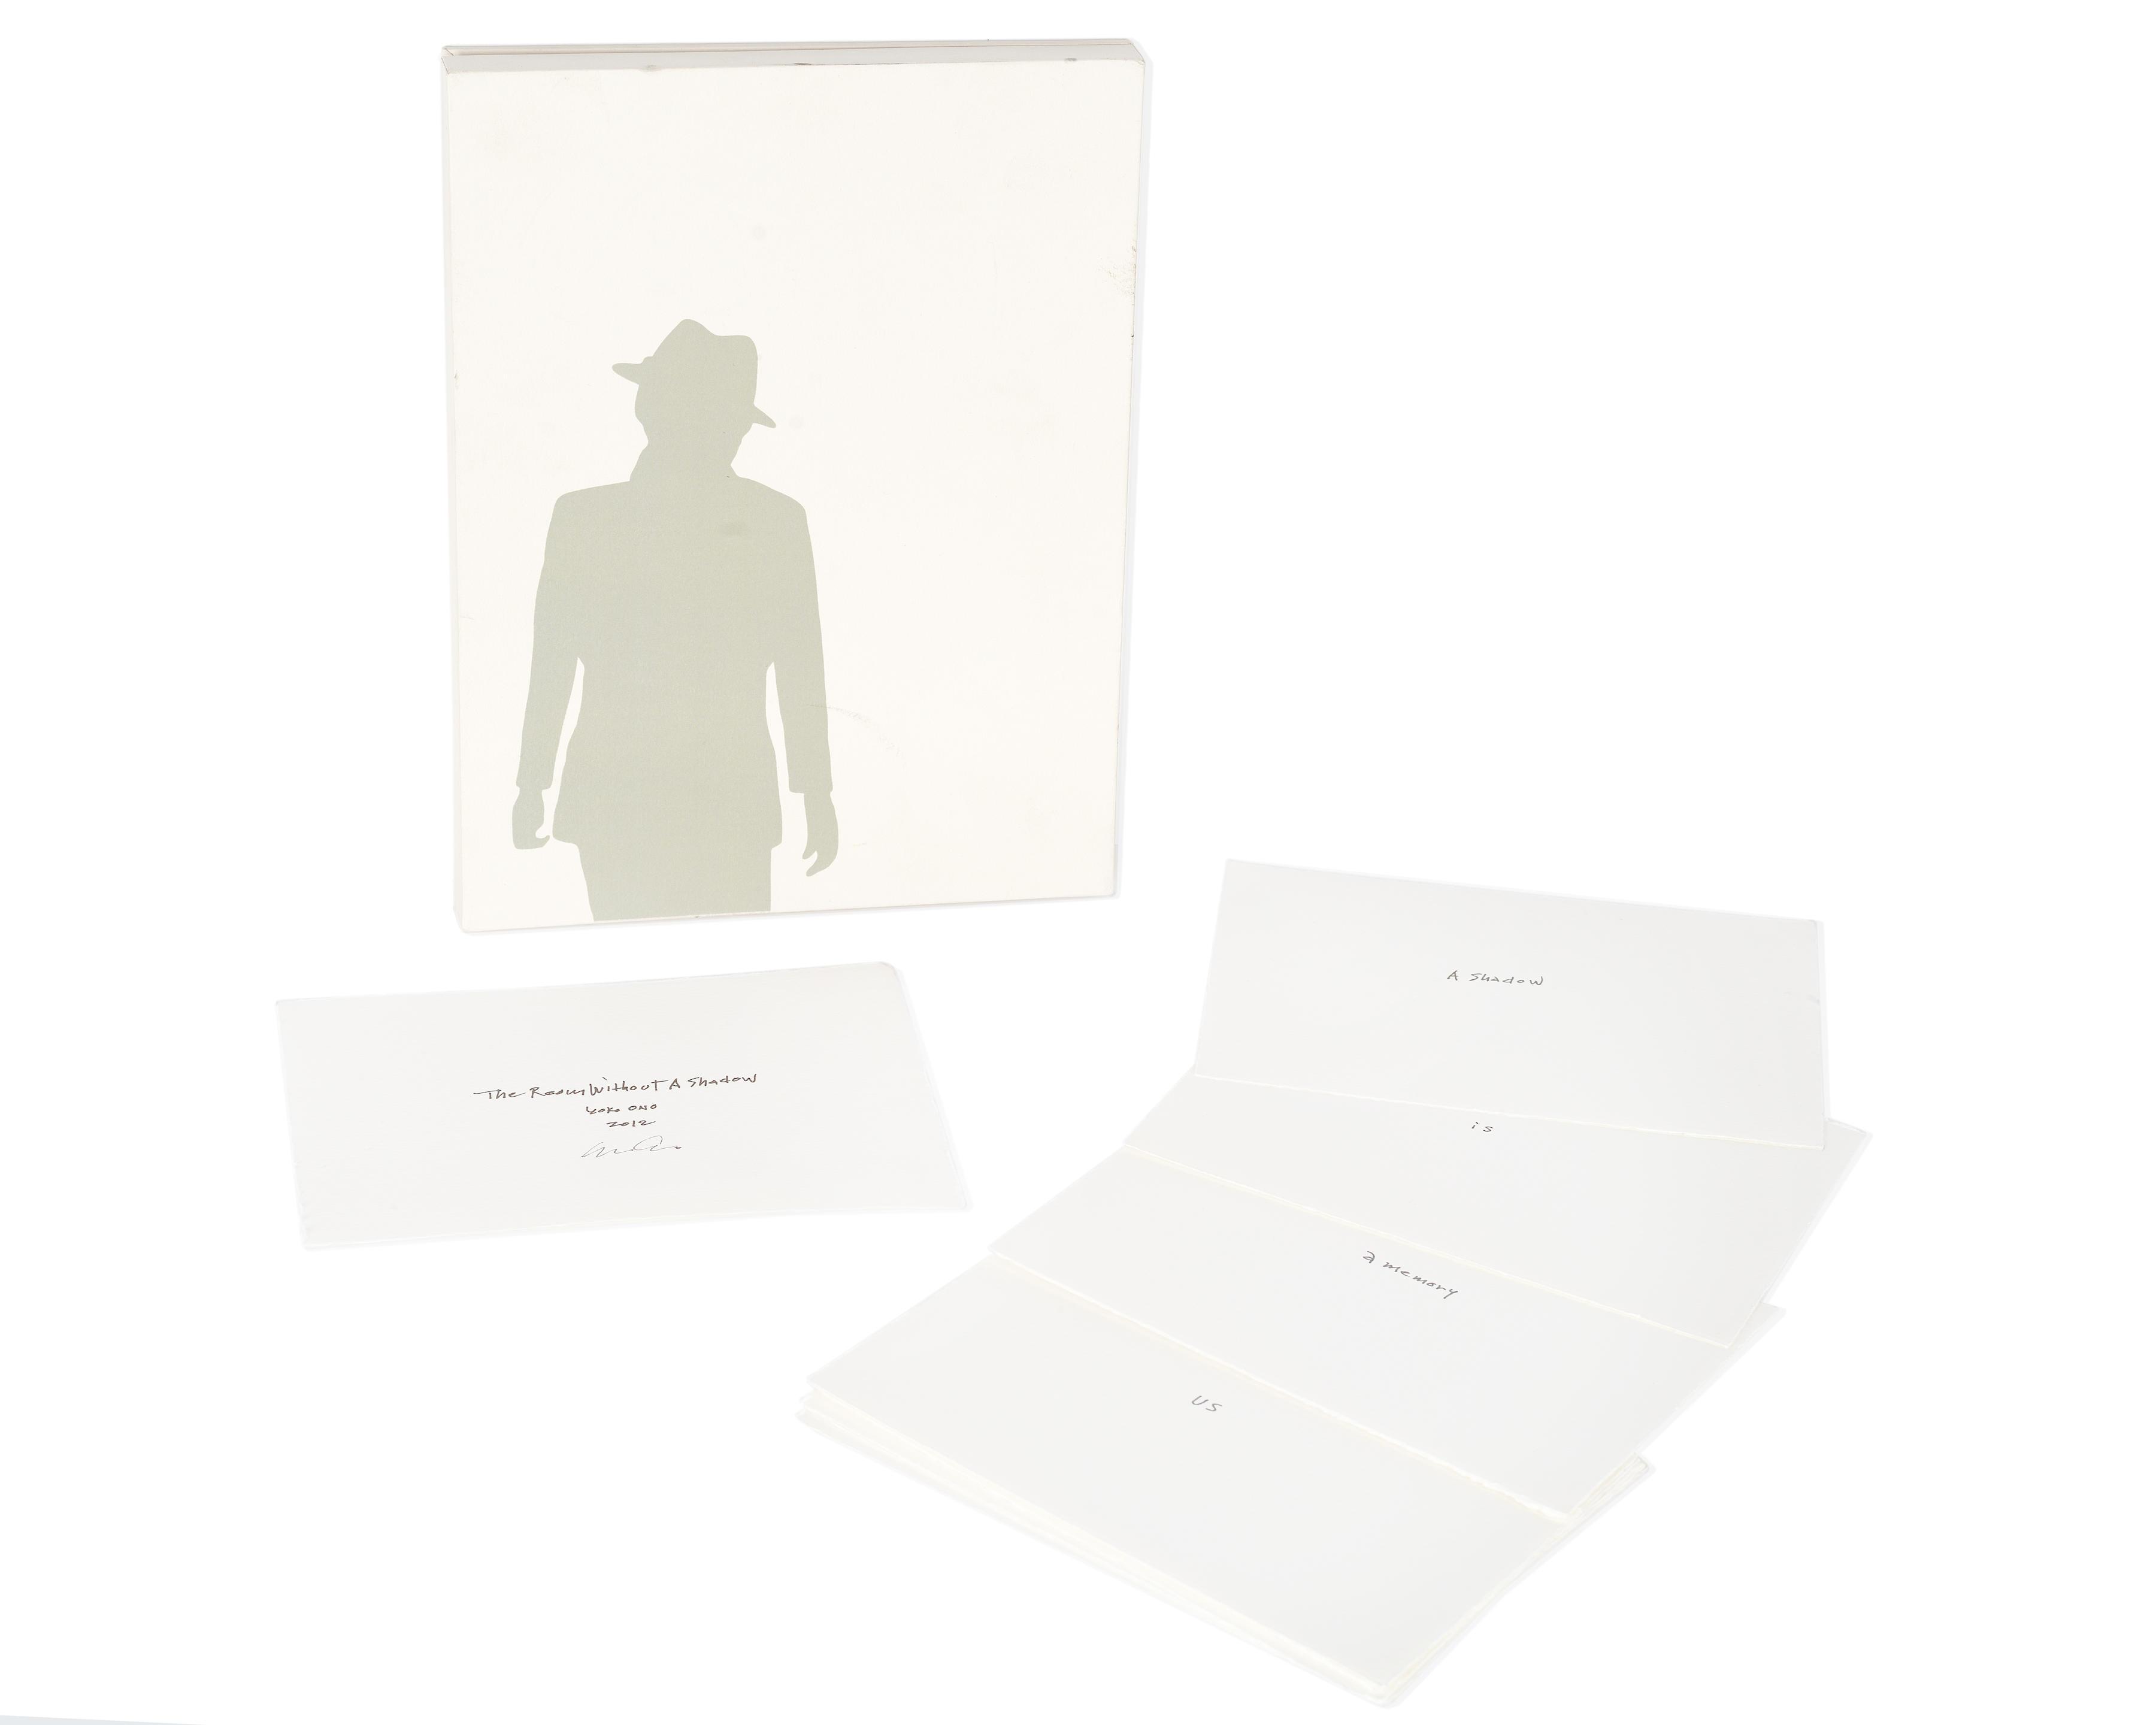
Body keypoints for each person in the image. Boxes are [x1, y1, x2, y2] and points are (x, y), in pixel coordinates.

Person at [511, 321, 837, 919]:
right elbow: (800, 669)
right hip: (703, 798)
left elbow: (800, 668)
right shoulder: (775, 520)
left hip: (634, 798)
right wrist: (815, 791)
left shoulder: (586, 518)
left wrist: (533, 782)